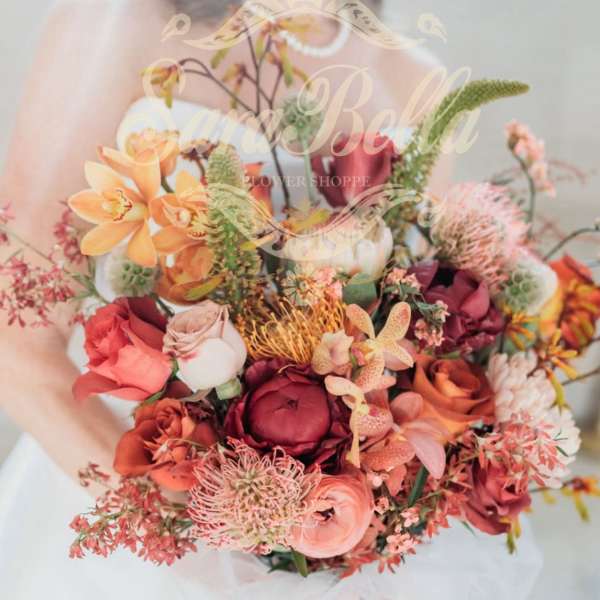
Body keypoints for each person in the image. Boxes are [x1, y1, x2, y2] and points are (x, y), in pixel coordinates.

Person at [0, 3, 542, 600]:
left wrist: (358, 518)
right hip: (137, 521)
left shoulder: (416, 78)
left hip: (339, 543)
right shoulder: (115, 21)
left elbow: (411, 328)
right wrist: (199, 539)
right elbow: (14, 342)